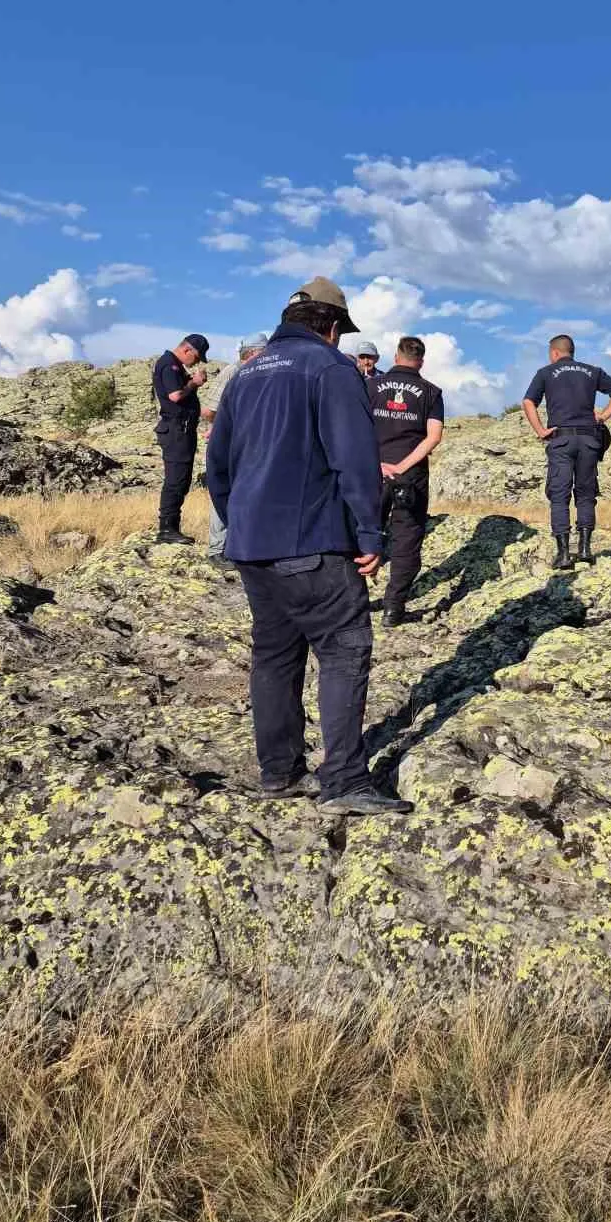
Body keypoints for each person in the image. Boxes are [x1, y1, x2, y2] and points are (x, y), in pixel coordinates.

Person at [207, 276, 411, 817]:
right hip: (313, 542)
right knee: (344, 648)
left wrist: (241, 524)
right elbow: (353, 458)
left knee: (274, 655)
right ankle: (343, 779)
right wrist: (370, 533)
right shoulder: (331, 368)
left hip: (252, 546)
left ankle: (280, 772)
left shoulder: (245, 375)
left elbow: (218, 467)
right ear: (332, 326)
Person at [522, 334, 611, 569]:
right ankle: (585, 550)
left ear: (554, 353)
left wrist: (540, 430)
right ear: (572, 351)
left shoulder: (545, 373)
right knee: (586, 493)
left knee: (559, 495)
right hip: (589, 439)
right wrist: (602, 416)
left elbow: (528, 402)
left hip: (561, 440)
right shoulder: (592, 371)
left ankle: (563, 555)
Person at [367, 335, 445, 626]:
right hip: (410, 477)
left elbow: (355, 427)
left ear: (396, 357)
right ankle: (393, 608)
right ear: (421, 360)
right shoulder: (431, 392)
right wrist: (403, 465)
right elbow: (434, 436)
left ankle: (352, 602)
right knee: (406, 541)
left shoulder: (370, 386)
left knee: (359, 532)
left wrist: (376, 463)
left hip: (370, 472)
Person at [200, 333, 269, 562]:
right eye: (264, 352)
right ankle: (217, 550)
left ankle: (240, 547)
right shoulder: (233, 371)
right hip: (228, 445)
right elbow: (208, 411)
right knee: (224, 492)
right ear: (252, 353)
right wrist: (226, 429)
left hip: (250, 445)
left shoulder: (261, 373)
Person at [151, 333, 210, 544]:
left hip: (181, 430)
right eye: (196, 357)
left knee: (181, 479)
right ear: (187, 350)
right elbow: (175, 396)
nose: (195, 362)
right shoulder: (169, 365)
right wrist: (193, 383)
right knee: (176, 480)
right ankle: (166, 529)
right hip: (176, 430)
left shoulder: (174, 365)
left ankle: (171, 527)